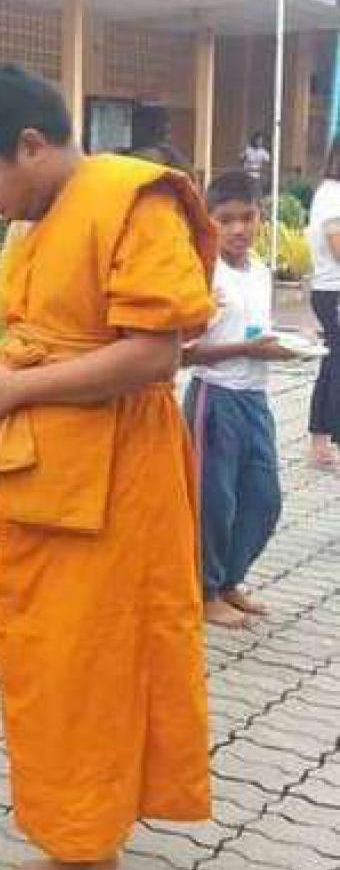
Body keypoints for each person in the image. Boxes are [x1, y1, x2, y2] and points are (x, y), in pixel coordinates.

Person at [0, 64, 215, 870]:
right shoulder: (41, 219)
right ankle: (79, 848)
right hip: (45, 483)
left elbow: (154, 355)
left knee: (88, 680)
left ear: (32, 144)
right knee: (45, 673)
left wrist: (17, 389)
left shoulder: (133, 199)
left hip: (115, 488)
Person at [183, 172, 287, 629]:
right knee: (214, 503)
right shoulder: (203, 273)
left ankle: (229, 581)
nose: (239, 229)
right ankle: (204, 591)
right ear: (209, 222)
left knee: (263, 499)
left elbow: (258, 334)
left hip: (255, 399)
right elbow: (182, 353)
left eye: (248, 217)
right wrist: (245, 349)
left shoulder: (261, 271)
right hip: (214, 397)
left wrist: (281, 347)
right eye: (226, 220)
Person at [307, 138, 340, 468]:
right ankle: (327, 444)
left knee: (332, 365)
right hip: (334, 291)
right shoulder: (333, 196)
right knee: (336, 368)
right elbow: (337, 247)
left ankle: (320, 443)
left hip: (330, 290)